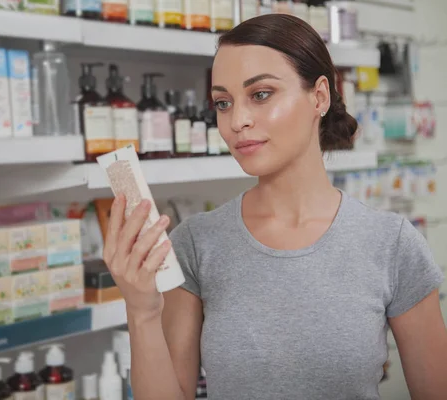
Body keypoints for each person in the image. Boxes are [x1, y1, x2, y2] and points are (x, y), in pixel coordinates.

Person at [103, 14, 447, 400]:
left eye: (261, 94)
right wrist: (141, 310)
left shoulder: (392, 245)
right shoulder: (195, 244)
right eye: (223, 102)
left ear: (319, 96)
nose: (238, 121)